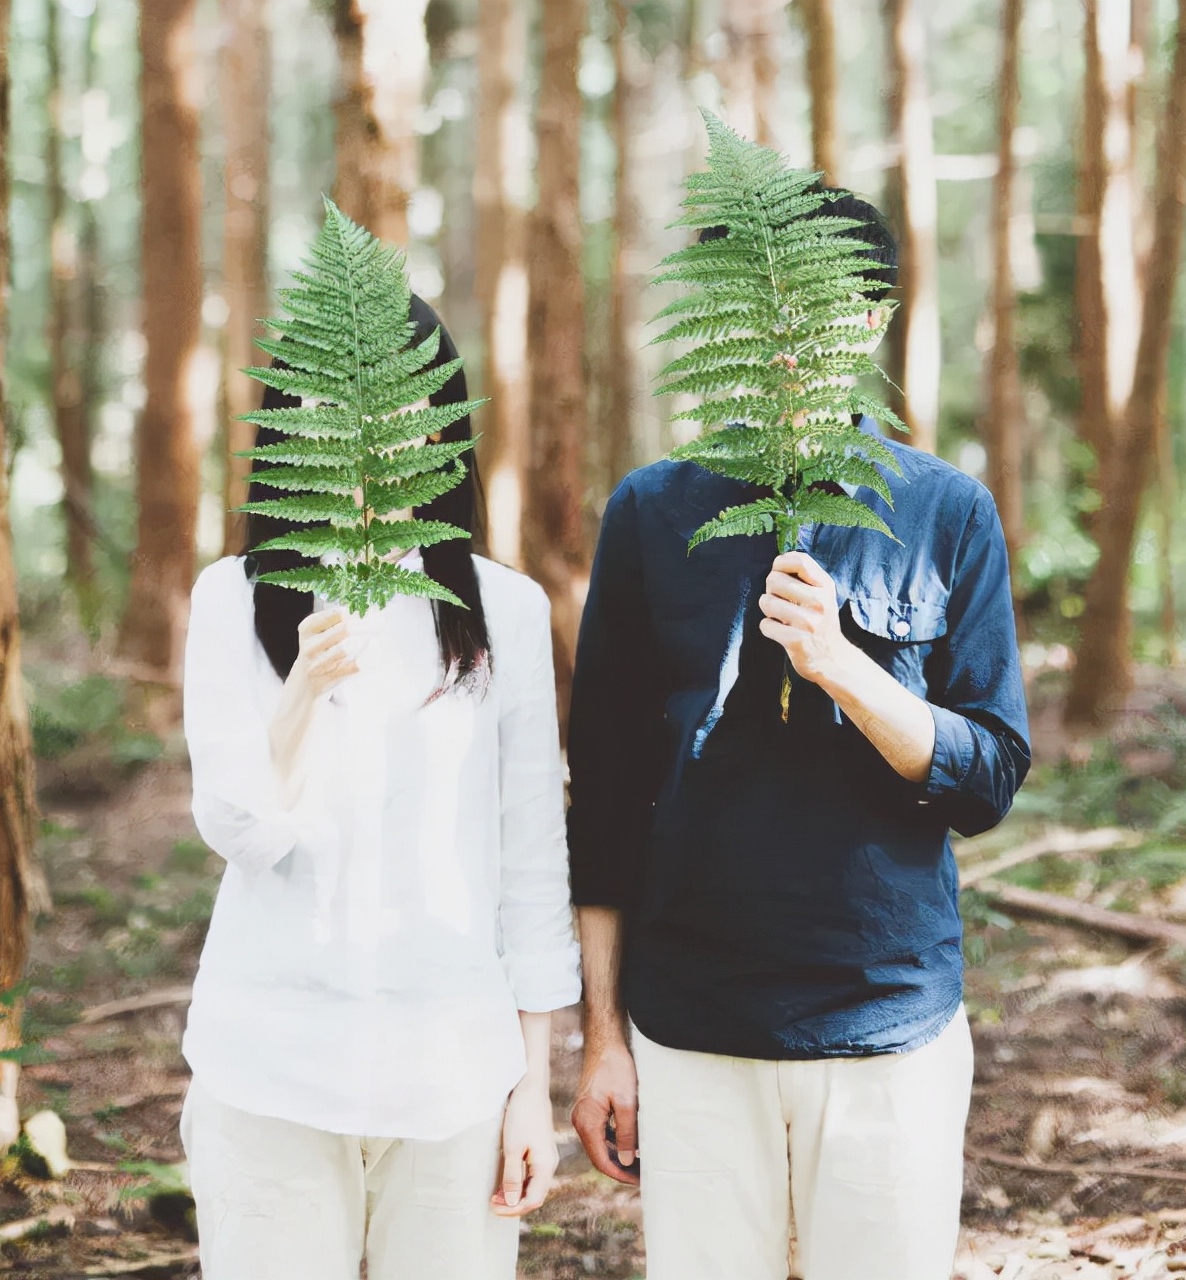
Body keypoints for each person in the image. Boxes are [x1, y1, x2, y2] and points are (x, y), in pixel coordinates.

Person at [567, 192, 1031, 1280]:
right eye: (753, 315)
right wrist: (600, 1040)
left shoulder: (943, 508)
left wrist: (839, 667)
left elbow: (988, 776)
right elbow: (603, 797)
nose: (779, 343)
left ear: (869, 321)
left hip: (888, 1022)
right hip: (691, 1019)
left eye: (812, 311)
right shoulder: (649, 511)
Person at [178, 294, 580, 1280]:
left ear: (439, 425)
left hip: (453, 1073)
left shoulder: (504, 610)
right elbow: (239, 825)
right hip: (270, 1065)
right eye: (332, 403)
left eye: (400, 406)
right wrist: (305, 690)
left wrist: (531, 1085)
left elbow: (530, 858)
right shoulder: (235, 595)